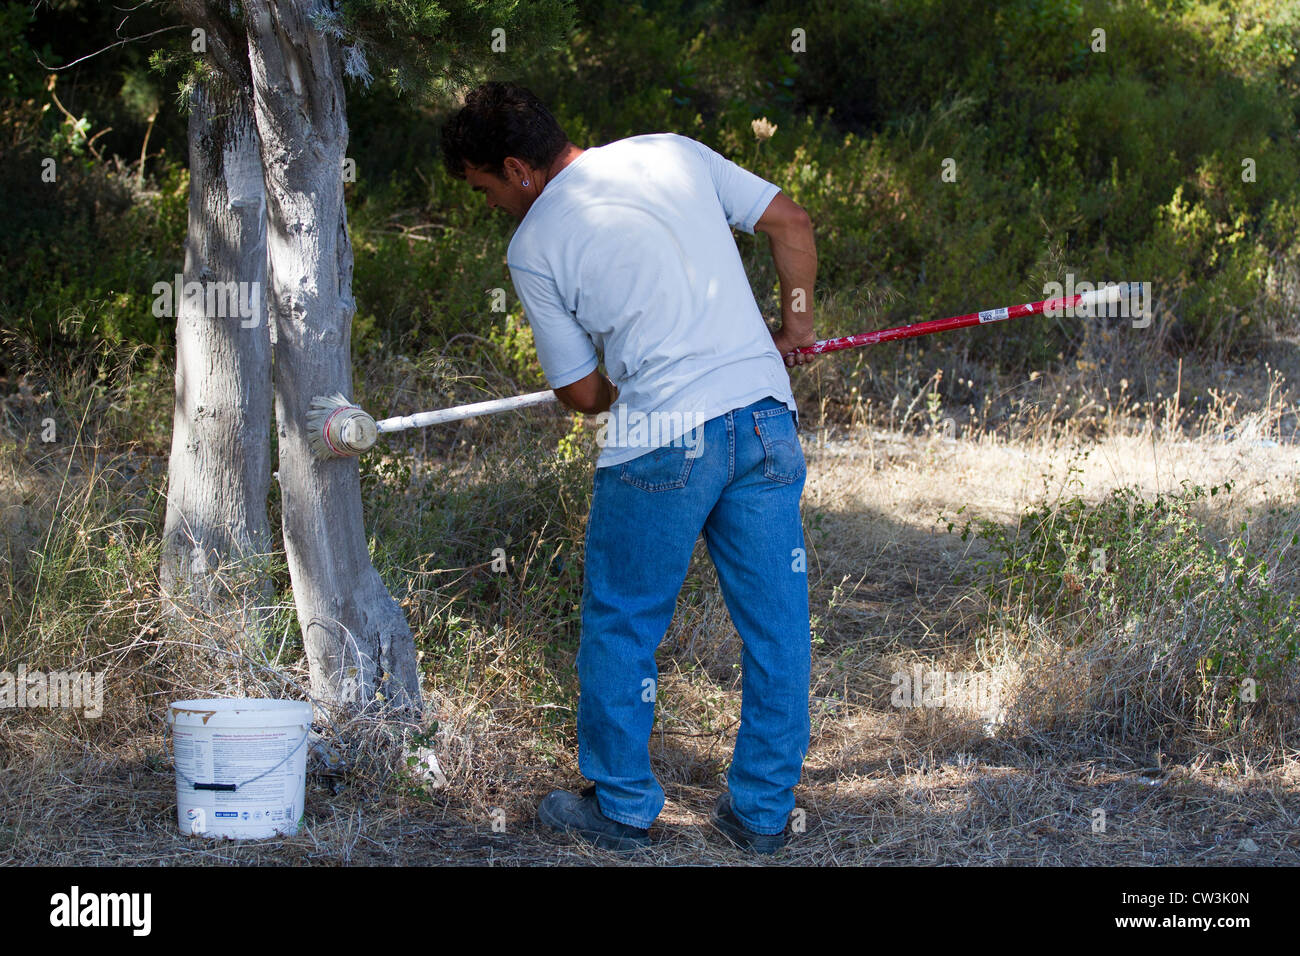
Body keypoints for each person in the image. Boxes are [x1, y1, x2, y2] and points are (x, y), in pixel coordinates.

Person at [441, 82, 818, 854]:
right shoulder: (671, 151)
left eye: (483, 189)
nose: (489, 206)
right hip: (765, 419)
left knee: (623, 622)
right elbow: (790, 221)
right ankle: (763, 814)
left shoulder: (534, 245)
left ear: (518, 168)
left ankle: (621, 805)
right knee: (777, 628)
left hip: (661, 435)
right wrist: (797, 326)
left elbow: (582, 393)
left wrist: (626, 379)